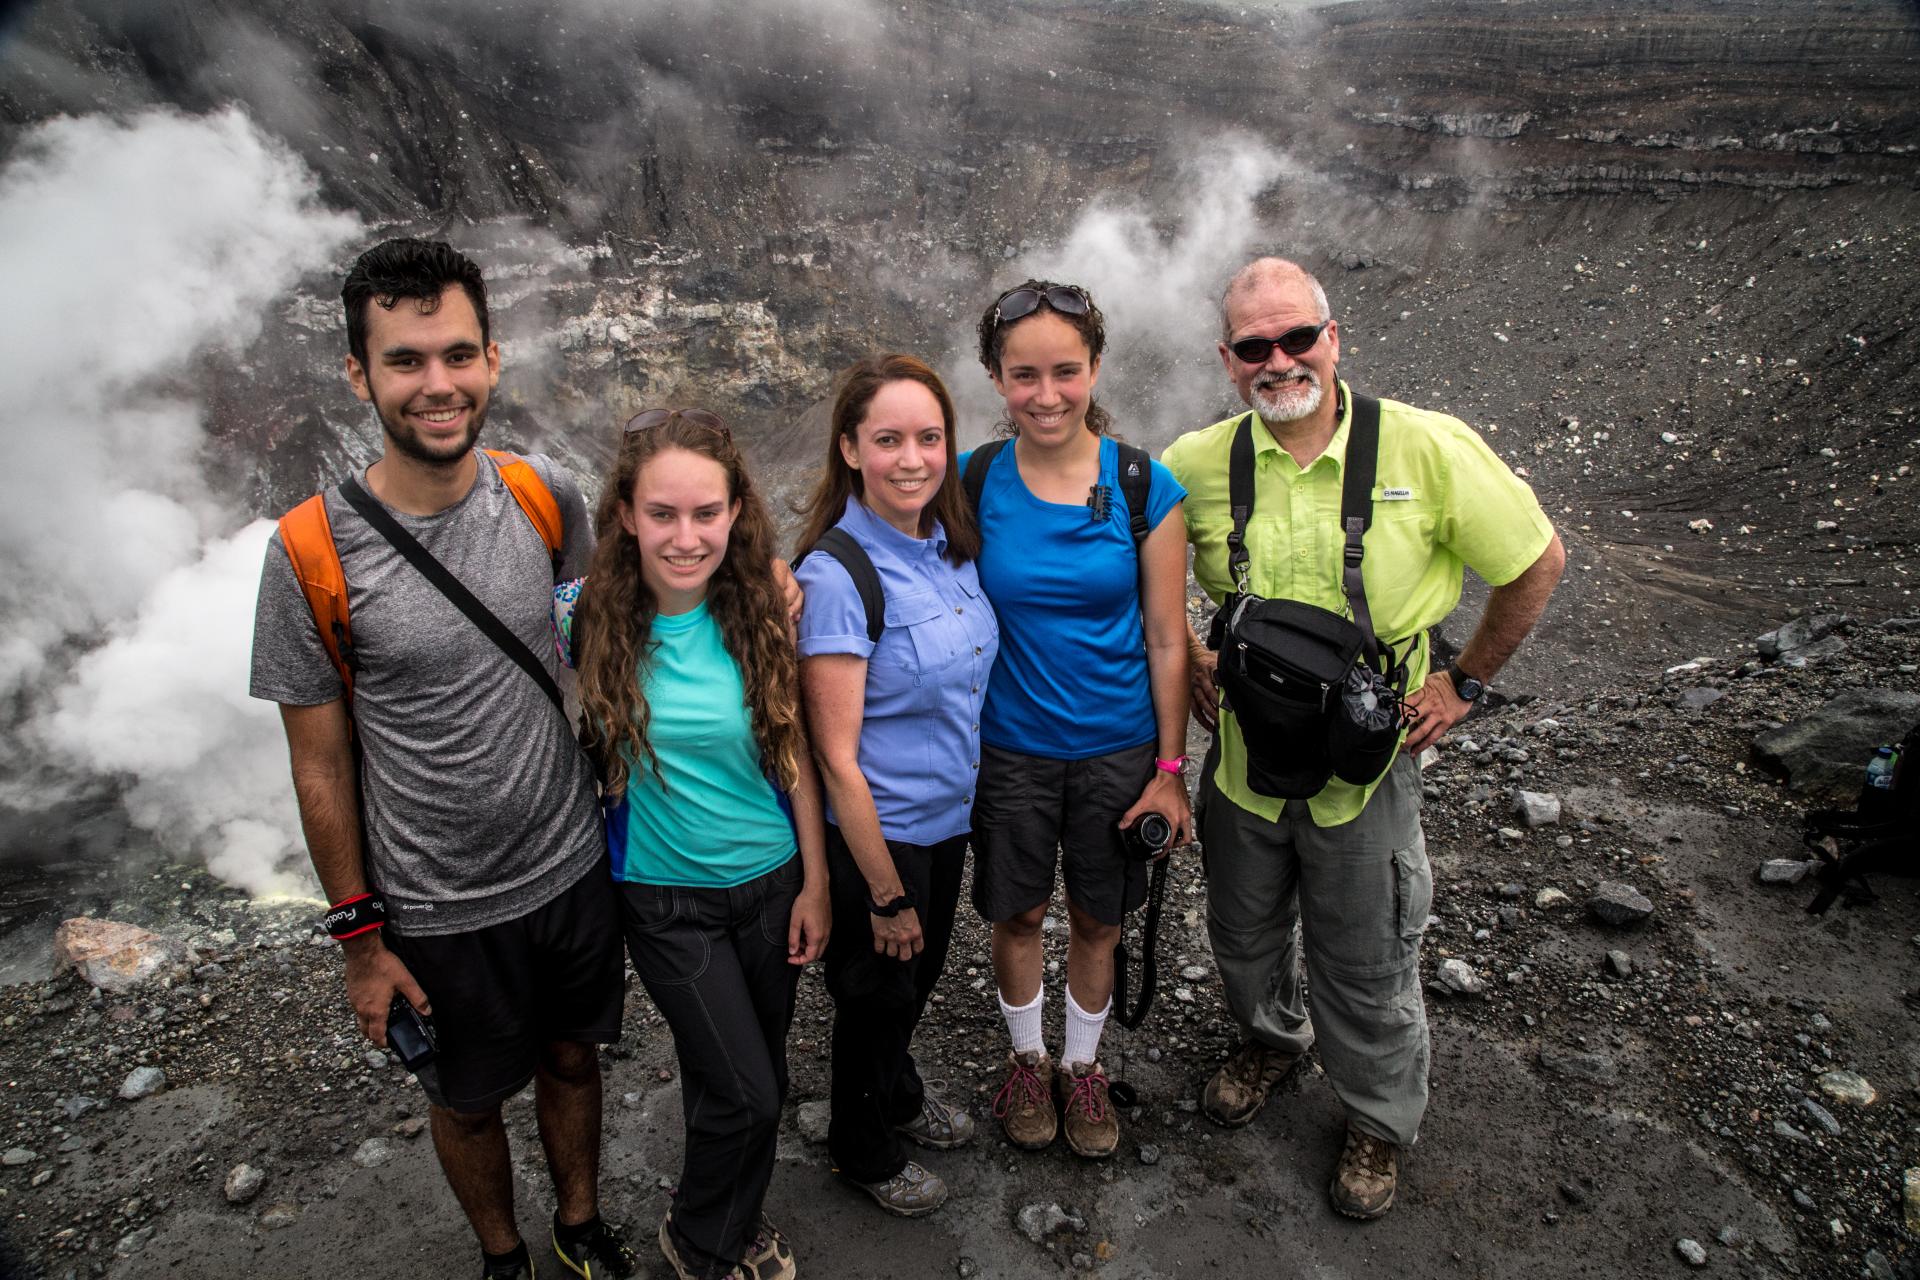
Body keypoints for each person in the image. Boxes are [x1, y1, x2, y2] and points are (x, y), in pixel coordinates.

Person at [251, 238, 636, 1279]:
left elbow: (601, 642)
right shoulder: (309, 554)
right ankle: (504, 1257)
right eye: (406, 360)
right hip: (436, 904)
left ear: (492, 359)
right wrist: (359, 940)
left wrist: (765, 582)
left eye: (459, 354)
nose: (438, 383)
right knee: (466, 1099)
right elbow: (319, 765)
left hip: (570, 869)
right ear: (358, 374)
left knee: (572, 1057)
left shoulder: (546, 497)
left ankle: (580, 1226)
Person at [1163, 256, 1566, 1219]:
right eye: (1254, 346)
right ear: (1227, 359)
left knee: (1369, 949)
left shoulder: (1427, 449)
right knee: (1242, 929)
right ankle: (1271, 1039)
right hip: (1246, 759)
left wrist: (1463, 683)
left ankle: (1378, 1119)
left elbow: (1536, 560)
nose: (1279, 360)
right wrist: (1191, 651)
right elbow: (1135, 568)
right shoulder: (1194, 466)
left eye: (1298, 337)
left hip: (1367, 762)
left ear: (1333, 339)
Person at [560, 409, 830, 1280]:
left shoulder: (761, 608)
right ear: (625, 515)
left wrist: (817, 884)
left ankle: (735, 1219)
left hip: (773, 885)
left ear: (736, 511)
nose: (686, 537)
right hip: (666, 900)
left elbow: (793, 753)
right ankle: (704, 1243)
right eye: (663, 514)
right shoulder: (586, 617)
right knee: (751, 1092)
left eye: (707, 513)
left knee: (742, 1079)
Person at [965, 282, 1192, 1160]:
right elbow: (884, 544)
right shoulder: (971, 481)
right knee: (1018, 913)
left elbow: (1167, 638)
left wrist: (1169, 774)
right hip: (1010, 748)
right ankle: (1028, 1060)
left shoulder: (1143, 486)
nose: (1047, 393)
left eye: (1065, 371)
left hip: (1118, 749)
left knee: (1099, 919)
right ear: (997, 379)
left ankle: (1082, 1067)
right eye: (1025, 375)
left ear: (1094, 368)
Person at [793, 355, 997, 1216]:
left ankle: (897, 1093)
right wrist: (883, 894)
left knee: (914, 982)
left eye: (929, 437)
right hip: (882, 837)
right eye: (888, 440)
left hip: (948, 821)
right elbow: (836, 758)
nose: (912, 459)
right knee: (877, 995)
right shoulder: (836, 577)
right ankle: (862, 1147)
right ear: (849, 449)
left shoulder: (947, 549)